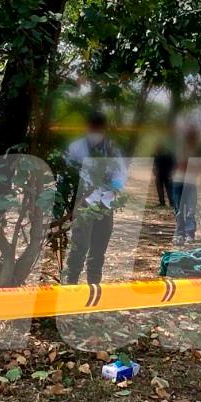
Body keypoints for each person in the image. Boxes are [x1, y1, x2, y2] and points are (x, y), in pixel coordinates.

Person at [63, 111, 127, 284]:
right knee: (79, 246)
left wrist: (111, 185)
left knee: (99, 249)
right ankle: (71, 284)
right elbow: (66, 175)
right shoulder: (76, 148)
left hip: (106, 203)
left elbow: (121, 176)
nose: (96, 132)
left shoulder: (112, 149)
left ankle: (94, 285)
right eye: (93, 127)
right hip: (83, 202)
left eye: (99, 128)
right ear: (87, 127)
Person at [171, 128, 201, 244]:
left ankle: (190, 234)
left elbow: (200, 168)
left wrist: (191, 166)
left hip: (191, 183)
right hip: (178, 182)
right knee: (179, 210)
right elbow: (181, 165)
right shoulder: (181, 149)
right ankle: (180, 234)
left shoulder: (197, 152)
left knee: (190, 210)